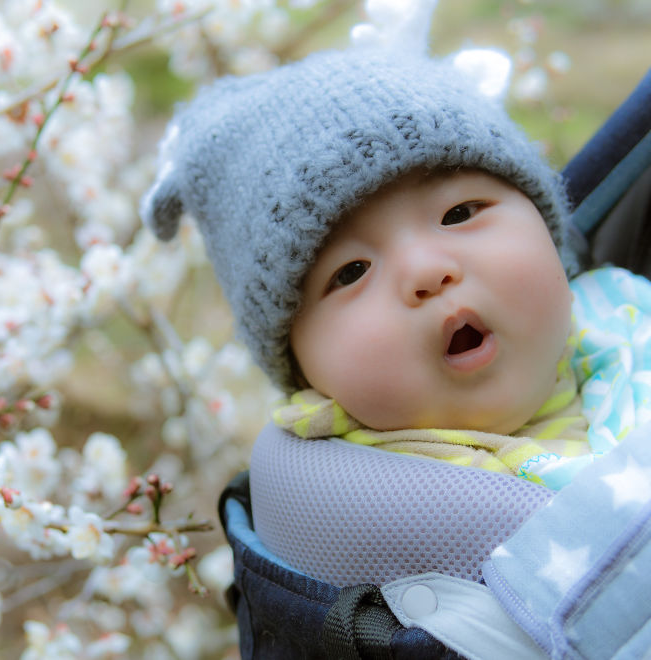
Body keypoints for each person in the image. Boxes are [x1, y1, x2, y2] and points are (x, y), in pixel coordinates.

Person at [142, 46, 651, 658]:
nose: (426, 270)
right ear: (309, 375)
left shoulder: (625, 313)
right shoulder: (358, 519)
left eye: (460, 212)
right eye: (351, 271)